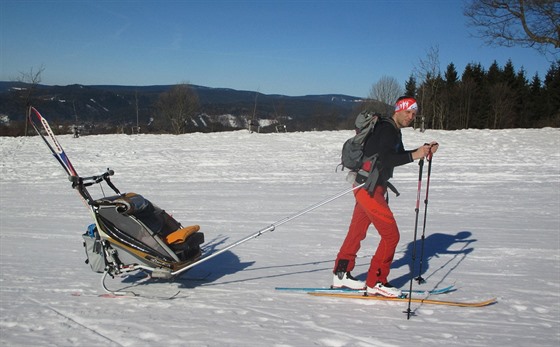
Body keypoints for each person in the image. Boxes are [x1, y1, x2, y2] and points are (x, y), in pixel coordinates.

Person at [332, 96, 439, 297]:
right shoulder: (388, 129)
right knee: (391, 235)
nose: (411, 117)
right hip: (369, 188)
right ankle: (377, 281)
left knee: (357, 230)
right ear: (397, 110)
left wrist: (420, 151)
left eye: (414, 114)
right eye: (407, 112)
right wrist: (415, 155)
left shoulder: (390, 129)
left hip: (369, 186)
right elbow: (386, 158)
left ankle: (341, 273)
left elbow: (389, 156)